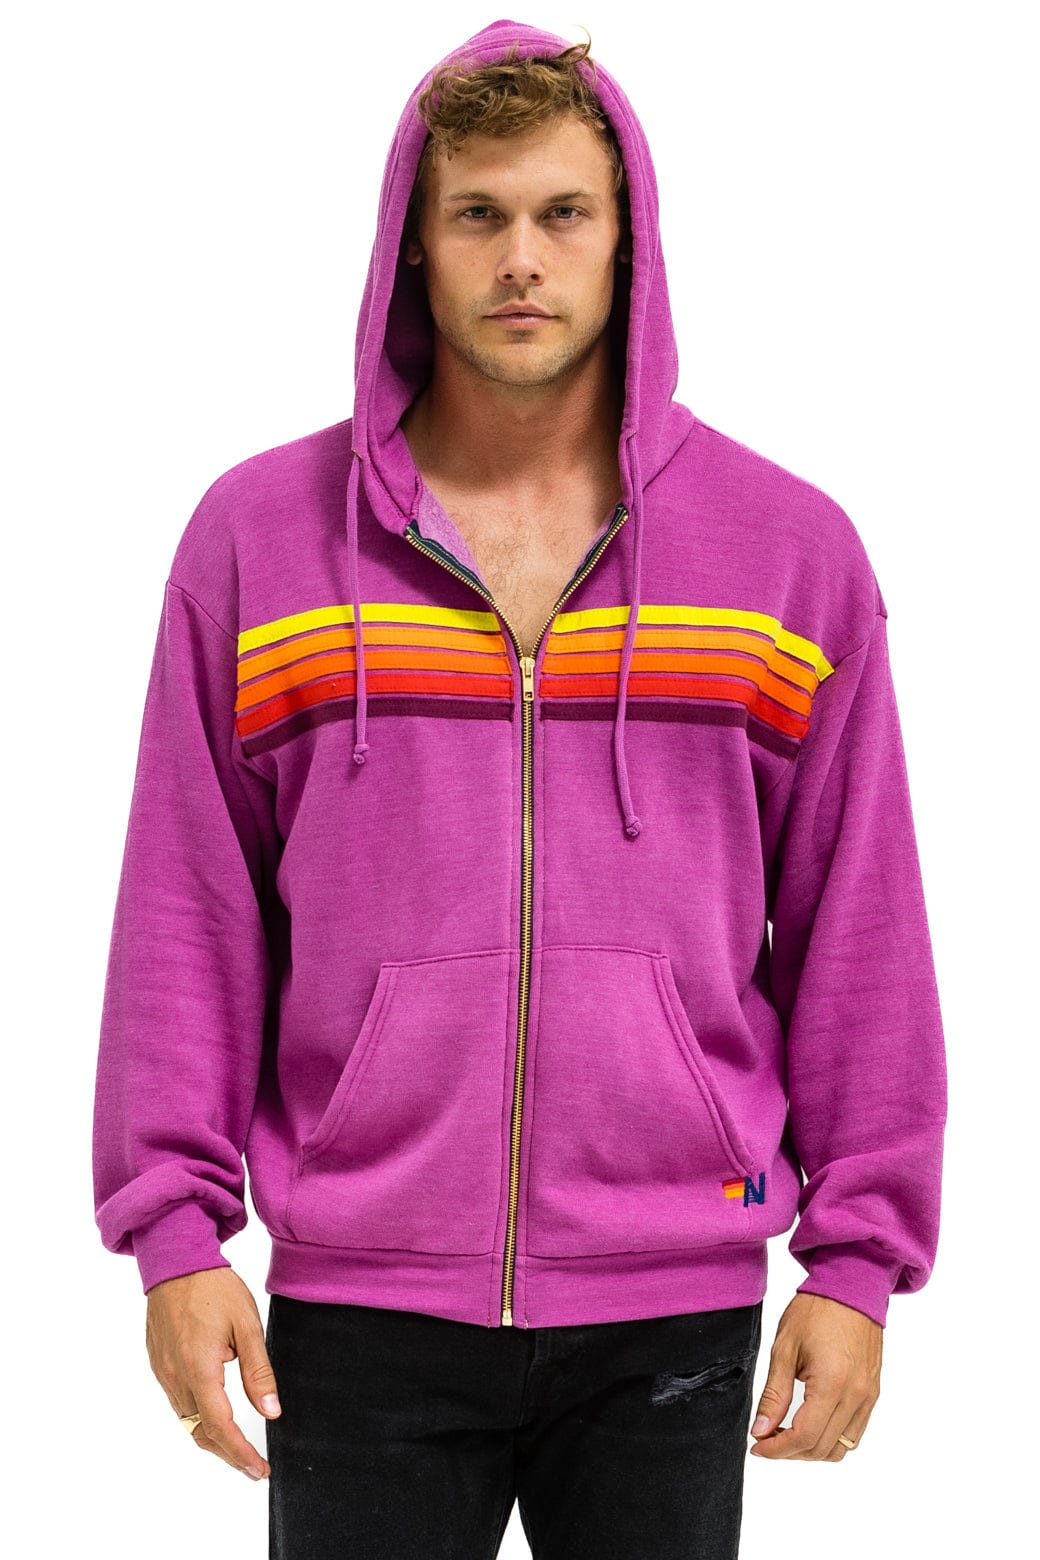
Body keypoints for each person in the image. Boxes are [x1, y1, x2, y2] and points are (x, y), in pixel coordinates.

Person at [91, 19, 948, 1560]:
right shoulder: (259, 541)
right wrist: (174, 1237)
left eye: (564, 213)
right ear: (413, 243)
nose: (523, 260)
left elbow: (858, 924)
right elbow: (185, 910)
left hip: (674, 1303)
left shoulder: (789, 555)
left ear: (629, 240)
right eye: (478, 214)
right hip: (359, 1302)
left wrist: (858, 1263)